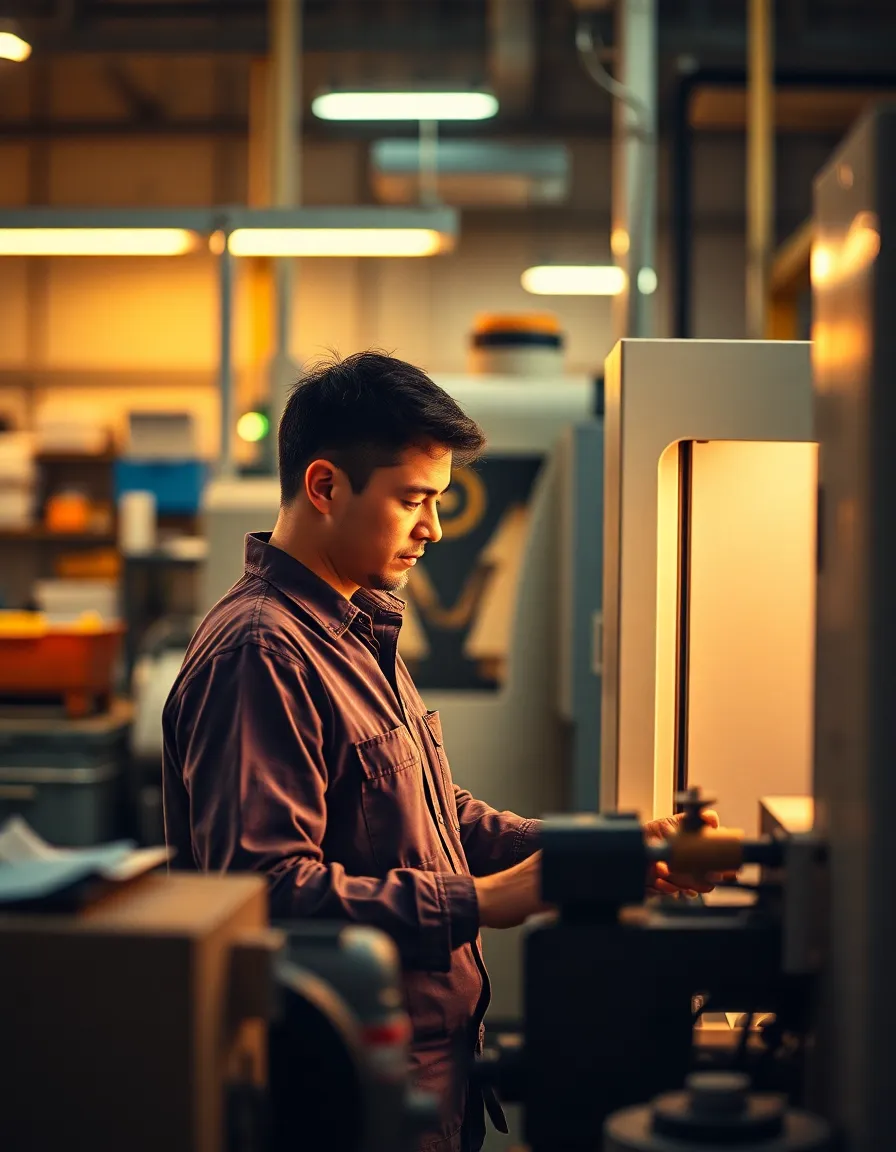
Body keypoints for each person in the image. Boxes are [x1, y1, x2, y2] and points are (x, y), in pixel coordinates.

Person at [162, 351, 715, 1152]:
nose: (435, 528)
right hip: (338, 1094)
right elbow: (262, 894)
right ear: (324, 486)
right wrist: (481, 901)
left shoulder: (357, 627)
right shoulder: (263, 653)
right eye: (414, 499)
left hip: (424, 1073)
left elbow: (426, 810)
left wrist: (591, 851)